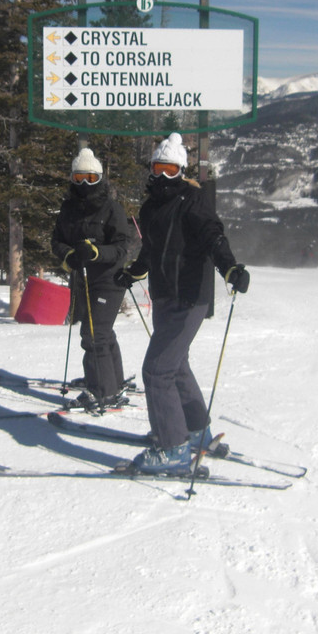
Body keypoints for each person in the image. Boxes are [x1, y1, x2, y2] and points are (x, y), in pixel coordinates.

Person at [115, 133, 250, 474]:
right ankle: (194, 431)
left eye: (170, 171)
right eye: (158, 168)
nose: (162, 177)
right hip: (164, 295)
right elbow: (152, 249)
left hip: (189, 296)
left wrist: (229, 266)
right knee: (175, 365)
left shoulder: (193, 201)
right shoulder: (150, 209)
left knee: (157, 370)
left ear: (181, 171)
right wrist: (134, 273)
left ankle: (173, 449)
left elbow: (212, 235)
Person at [51, 147, 134, 414]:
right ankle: (112, 380)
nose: (84, 184)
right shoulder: (69, 209)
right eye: (78, 178)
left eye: (89, 177)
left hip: (109, 279)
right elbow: (58, 240)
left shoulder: (111, 209)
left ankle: (103, 392)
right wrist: (70, 256)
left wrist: (97, 252)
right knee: (101, 332)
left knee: (93, 334)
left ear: (99, 178)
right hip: (83, 279)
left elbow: (123, 248)